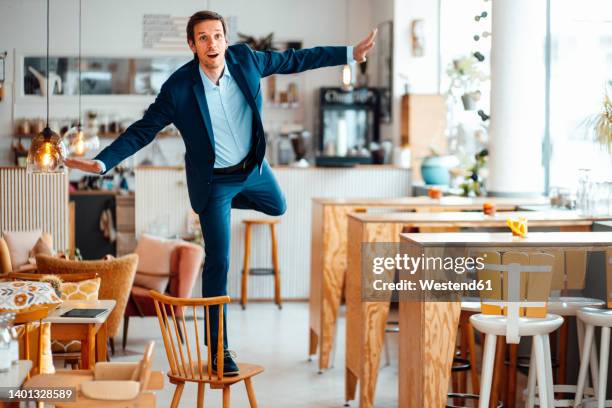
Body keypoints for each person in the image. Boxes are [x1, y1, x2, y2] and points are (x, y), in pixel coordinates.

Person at [65, 10, 377, 376]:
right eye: (203, 37)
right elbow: (142, 130)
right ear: (192, 45)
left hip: (254, 170)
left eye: (217, 35)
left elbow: (297, 60)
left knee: (278, 205)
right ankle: (218, 349)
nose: (211, 43)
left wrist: (348, 54)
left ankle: (223, 207)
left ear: (226, 40)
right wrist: (102, 163)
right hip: (214, 180)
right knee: (219, 262)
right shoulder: (179, 88)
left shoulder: (246, 60)